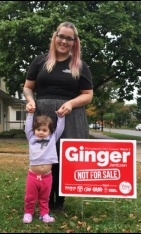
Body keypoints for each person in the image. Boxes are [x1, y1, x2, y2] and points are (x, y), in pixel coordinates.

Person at [23, 21, 93, 212]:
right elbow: (28, 87)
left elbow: (88, 94)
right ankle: (45, 199)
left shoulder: (80, 66)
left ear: (74, 42)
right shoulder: (40, 61)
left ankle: (60, 201)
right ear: (55, 37)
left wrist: (70, 103)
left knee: (65, 159)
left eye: (69, 38)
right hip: (44, 115)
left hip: (70, 115)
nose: (63, 41)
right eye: (61, 36)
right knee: (45, 156)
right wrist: (30, 100)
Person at [23, 111, 65, 224]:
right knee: (30, 197)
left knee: (45, 198)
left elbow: (60, 129)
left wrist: (61, 117)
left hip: (47, 176)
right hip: (33, 176)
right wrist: (30, 114)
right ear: (34, 130)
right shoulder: (31, 137)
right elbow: (27, 127)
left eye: (44, 130)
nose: (41, 132)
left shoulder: (52, 138)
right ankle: (28, 213)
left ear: (50, 131)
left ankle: (44, 214)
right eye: (38, 130)